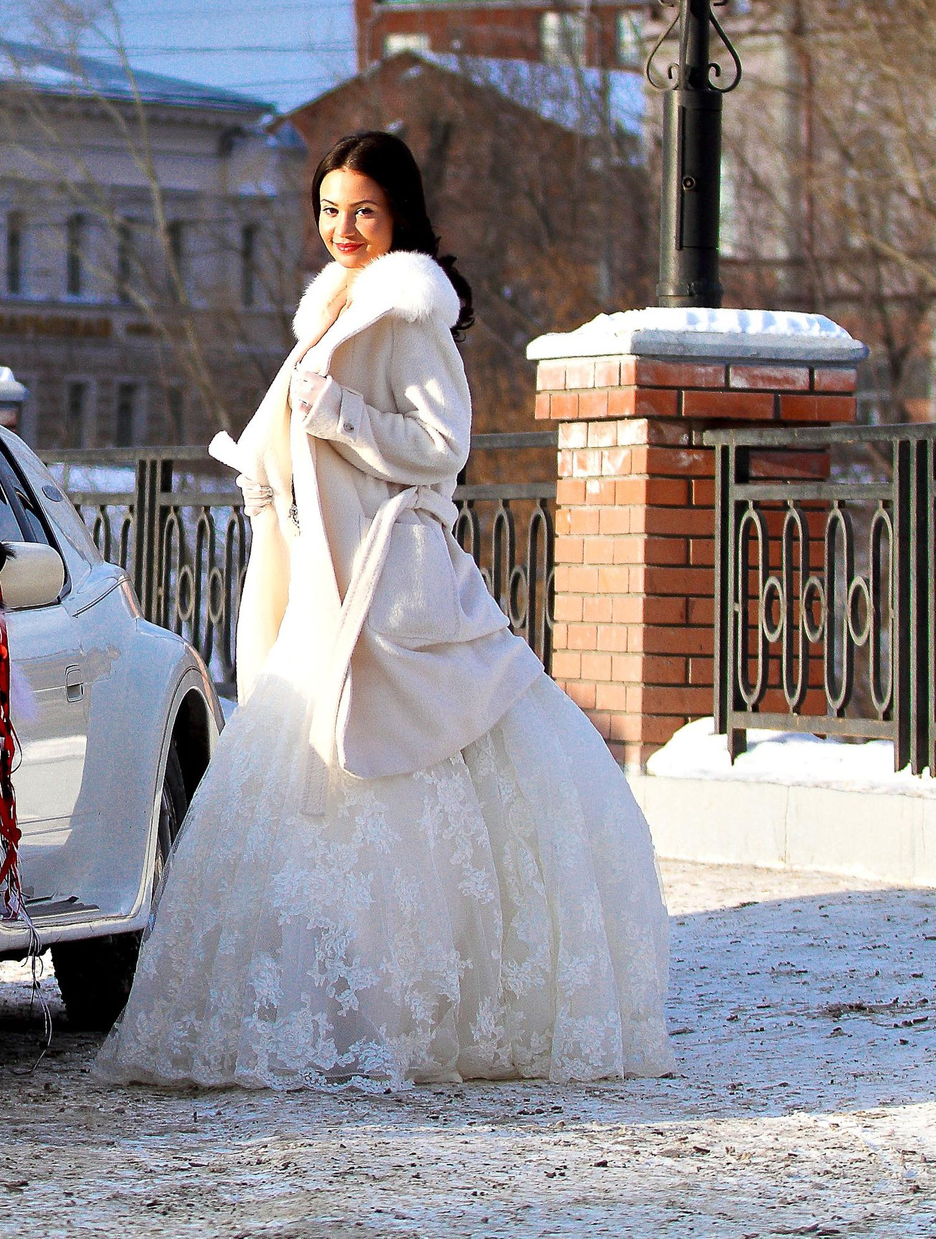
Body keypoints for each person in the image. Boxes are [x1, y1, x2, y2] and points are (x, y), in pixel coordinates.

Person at [98, 130, 670, 1090]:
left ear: (397, 213)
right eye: (329, 209)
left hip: (391, 584)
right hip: (328, 589)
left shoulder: (406, 315)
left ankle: (424, 1008)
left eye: (362, 209)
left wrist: (339, 421)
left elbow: (443, 446)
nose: (343, 228)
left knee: (412, 779)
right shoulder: (332, 313)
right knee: (314, 795)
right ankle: (333, 1007)